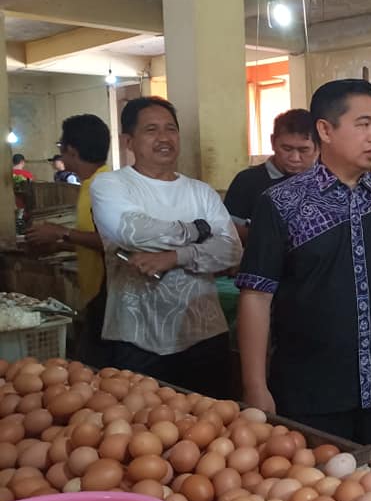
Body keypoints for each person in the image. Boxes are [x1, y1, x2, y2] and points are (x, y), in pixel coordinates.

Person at [236, 79, 371, 454]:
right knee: (317, 488)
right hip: (311, 395)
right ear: (325, 130)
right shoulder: (281, 204)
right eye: (362, 124)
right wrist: (255, 386)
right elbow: (256, 297)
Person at [90, 97, 241, 398]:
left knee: (210, 419)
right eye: (151, 130)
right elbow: (133, 232)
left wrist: (175, 257)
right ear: (129, 141)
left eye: (170, 129)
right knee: (141, 421)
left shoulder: (201, 192)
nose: (164, 138)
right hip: (137, 338)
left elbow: (231, 249)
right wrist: (199, 230)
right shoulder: (110, 186)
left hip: (204, 335)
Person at [25, 115, 112, 366]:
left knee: (96, 365)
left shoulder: (104, 186)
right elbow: (95, 239)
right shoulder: (91, 184)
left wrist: (61, 233)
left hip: (108, 296)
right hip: (96, 295)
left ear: (71, 150)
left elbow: (113, 241)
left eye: (60, 146)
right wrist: (59, 244)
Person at [224, 109, 319, 244]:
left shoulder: (327, 182)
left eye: (303, 150)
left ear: (318, 147)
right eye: (286, 149)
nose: (294, 158)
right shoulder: (246, 181)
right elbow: (228, 229)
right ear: (273, 142)